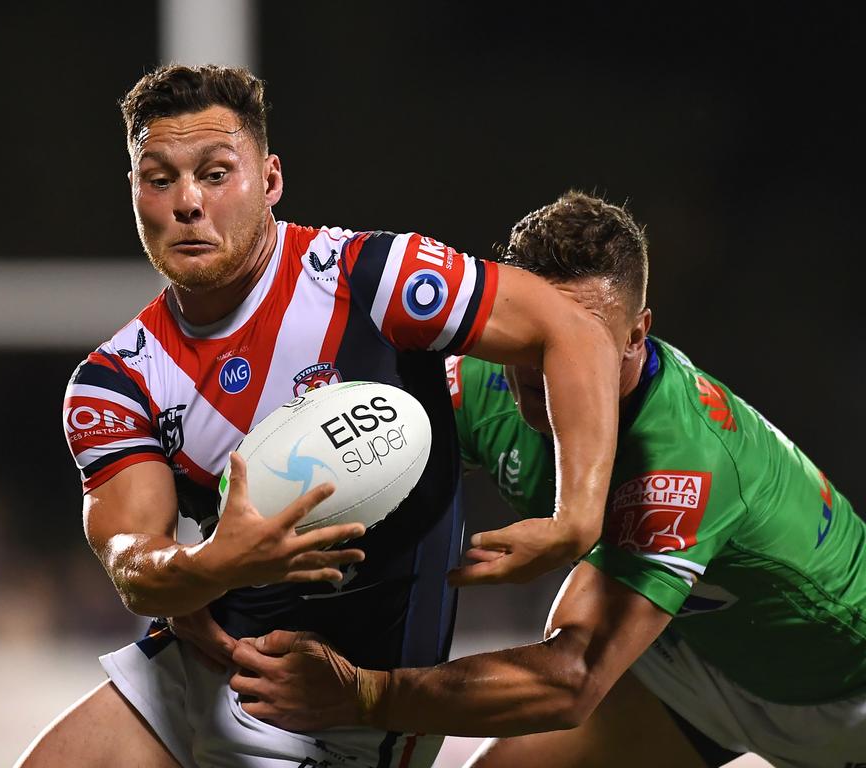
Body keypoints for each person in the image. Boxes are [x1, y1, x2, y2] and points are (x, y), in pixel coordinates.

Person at [15, 67, 622, 768]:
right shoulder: (116, 378)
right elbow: (132, 559)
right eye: (159, 178)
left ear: (270, 181)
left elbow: (572, 329)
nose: (187, 202)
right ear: (133, 192)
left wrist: (577, 516)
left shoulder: (371, 278)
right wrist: (215, 562)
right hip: (199, 667)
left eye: (216, 174)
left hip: (342, 711)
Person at [230, 192, 866, 768]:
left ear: (637, 336)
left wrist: (364, 694)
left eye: (583, 343)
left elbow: (569, 679)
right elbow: (355, 467)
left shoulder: (683, 462)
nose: (546, 369)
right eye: (537, 336)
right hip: (699, 663)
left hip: (842, 696)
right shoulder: (484, 381)